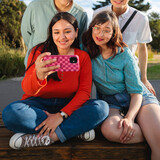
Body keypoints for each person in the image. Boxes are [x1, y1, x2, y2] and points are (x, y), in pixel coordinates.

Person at [2, 12, 109, 149]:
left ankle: (51, 137)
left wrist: (61, 115)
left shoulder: (82, 57)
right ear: (51, 34)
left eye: (67, 32)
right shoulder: (38, 52)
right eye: (56, 32)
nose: (62, 37)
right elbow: (27, 89)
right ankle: (72, 130)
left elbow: (84, 92)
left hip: (69, 107)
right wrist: (38, 76)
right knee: (11, 113)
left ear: (76, 32)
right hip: (37, 106)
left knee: (101, 108)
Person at [82, 11, 160, 160]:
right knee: (110, 130)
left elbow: (136, 92)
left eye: (106, 30)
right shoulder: (87, 50)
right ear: (91, 28)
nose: (100, 33)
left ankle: (154, 131)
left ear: (113, 33)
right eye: (97, 28)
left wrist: (130, 118)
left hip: (139, 98)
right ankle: (151, 130)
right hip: (111, 102)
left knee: (158, 143)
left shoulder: (124, 54)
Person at [93, 0, 155, 95]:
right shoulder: (98, 13)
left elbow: (142, 49)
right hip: (105, 74)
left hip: (130, 72)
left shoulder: (141, 18)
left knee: (149, 107)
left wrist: (144, 79)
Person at [21, 0, 88, 67]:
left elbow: (81, 43)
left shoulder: (81, 13)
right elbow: (26, 35)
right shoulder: (35, 7)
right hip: (36, 66)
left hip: (67, 68)